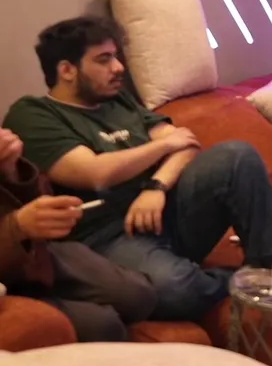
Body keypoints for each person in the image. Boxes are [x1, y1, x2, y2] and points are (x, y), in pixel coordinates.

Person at [2, 17, 272, 322]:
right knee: (174, 290)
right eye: (104, 59)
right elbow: (96, 172)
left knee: (237, 156)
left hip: (163, 211)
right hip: (107, 238)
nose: (118, 67)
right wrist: (162, 146)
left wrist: (156, 187)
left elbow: (186, 145)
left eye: (116, 56)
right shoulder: (34, 114)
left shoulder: (117, 101)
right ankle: (244, 281)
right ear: (67, 70)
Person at [1, 127, 156, 341]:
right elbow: (96, 173)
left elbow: (39, 197)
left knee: (140, 295)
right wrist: (16, 227)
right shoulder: (34, 117)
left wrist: (11, 171)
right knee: (102, 325)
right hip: (9, 266)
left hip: (38, 252)